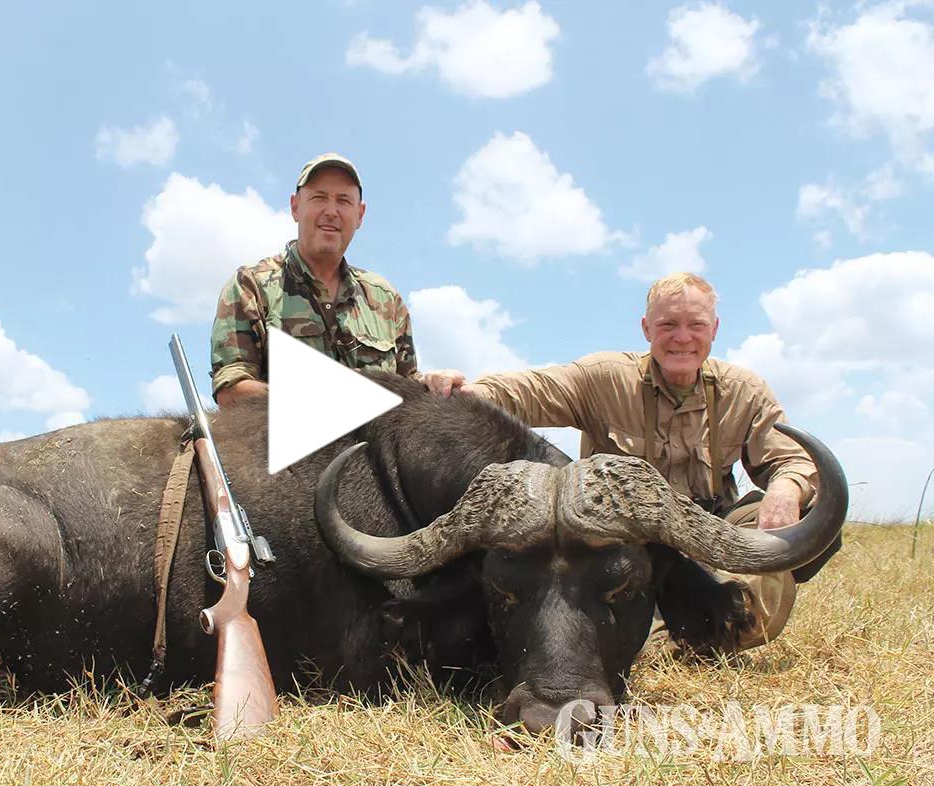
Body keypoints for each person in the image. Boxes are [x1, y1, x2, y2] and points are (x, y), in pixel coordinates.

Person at [424, 272, 840, 652]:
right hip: (624, 549)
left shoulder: (744, 389)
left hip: (710, 535)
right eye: (668, 325)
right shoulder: (605, 377)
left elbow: (793, 460)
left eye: (696, 325)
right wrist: (472, 390)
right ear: (646, 329)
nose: (682, 338)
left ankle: (702, 630)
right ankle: (686, 636)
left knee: (800, 520)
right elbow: (531, 389)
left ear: (714, 329)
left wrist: (787, 488)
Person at [209, 153, 419, 406]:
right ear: (295, 207)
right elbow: (231, 391)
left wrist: (439, 383)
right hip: (279, 431)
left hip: (378, 434)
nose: (331, 211)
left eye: (344, 201)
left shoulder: (386, 298)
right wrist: (326, 395)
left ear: (360, 215)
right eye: (319, 197)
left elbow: (411, 390)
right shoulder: (250, 286)